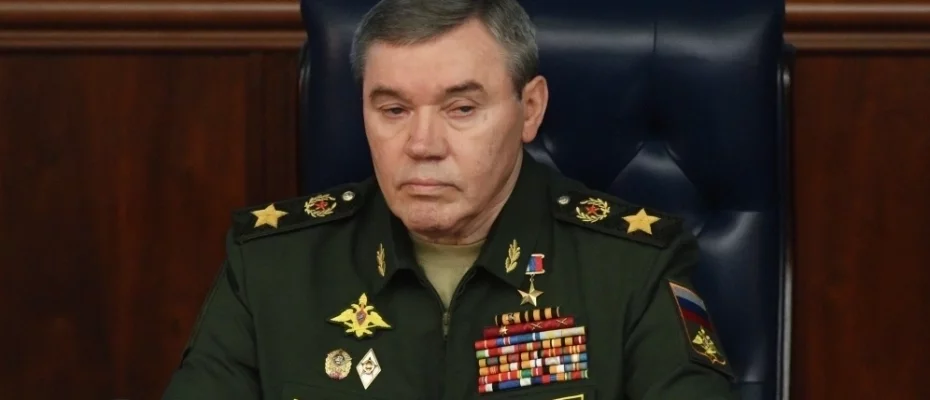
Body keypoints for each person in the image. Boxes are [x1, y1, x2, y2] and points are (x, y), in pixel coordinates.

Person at [162, 0, 737, 398]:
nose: (422, 145)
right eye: (393, 110)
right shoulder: (271, 266)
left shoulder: (632, 268)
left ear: (530, 109)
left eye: (461, 109)